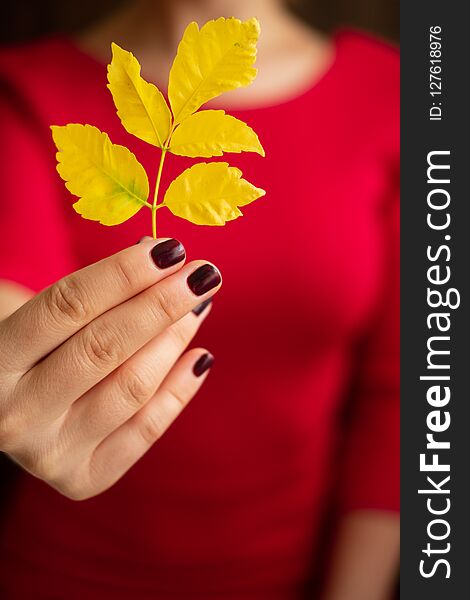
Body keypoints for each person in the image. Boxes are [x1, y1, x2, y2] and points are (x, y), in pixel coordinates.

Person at [0, 0, 400, 598]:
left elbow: (407, 394)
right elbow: (13, 300)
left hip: (300, 580)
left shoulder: (398, 95)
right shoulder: (21, 92)